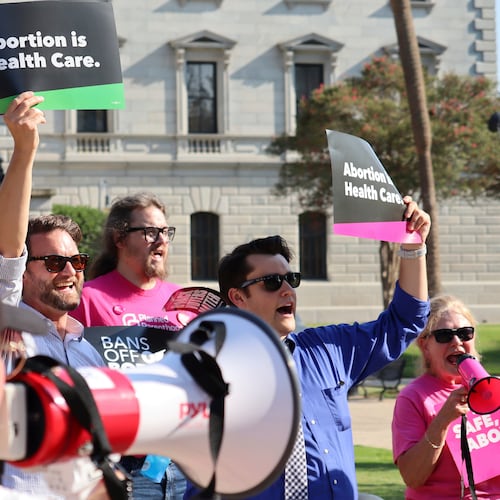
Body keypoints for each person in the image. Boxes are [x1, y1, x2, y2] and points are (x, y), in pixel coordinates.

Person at [185, 198, 430, 500]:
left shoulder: (327, 350)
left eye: (291, 279)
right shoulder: (208, 374)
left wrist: (412, 246)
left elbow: (405, 321)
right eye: (273, 282)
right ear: (238, 297)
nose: (287, 289)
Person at [0, 91, 108, 499]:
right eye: (52, 262)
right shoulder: (10, 331)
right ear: (23, 273)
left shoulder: (89, 352)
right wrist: (25, 148)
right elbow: (9, 250)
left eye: (76, 261)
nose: (68, 271)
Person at [71, 193, 186, 500]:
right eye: (150, 231)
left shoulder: (184, 299)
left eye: (166, 232)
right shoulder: (86, 298)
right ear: (120, 238)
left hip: (185, 461)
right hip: (123, 464)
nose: (161, 240)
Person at [392, 295, 500, 499]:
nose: (457, 342)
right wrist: (442, 421)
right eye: (444, 335)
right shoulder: (414, 397)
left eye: (465, 333)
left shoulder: (494, 389)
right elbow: (412, 477)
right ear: (425, 346)